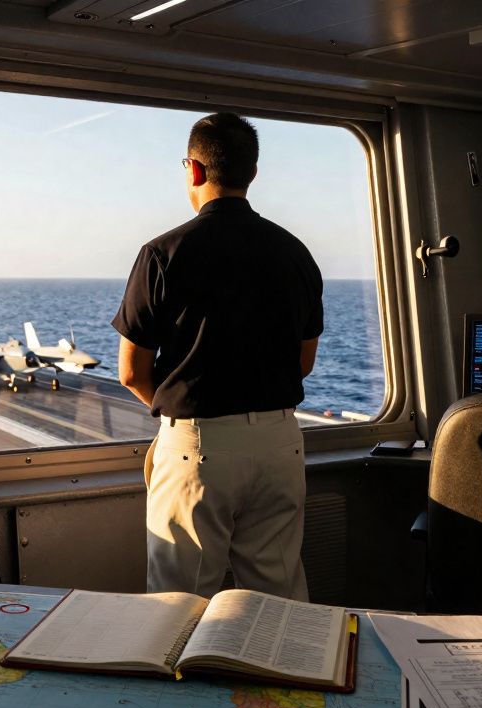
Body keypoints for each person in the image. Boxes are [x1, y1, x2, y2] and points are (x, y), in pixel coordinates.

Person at [110, 112, 323, 601]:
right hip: (280, 445)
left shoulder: (162, 253)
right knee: (280, 599)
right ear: (251, 173)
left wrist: (180, 417)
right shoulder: (297, 253)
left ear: (195, 171)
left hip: (197, 445)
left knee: (177, 606)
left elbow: (129, 372)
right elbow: (302, 362)